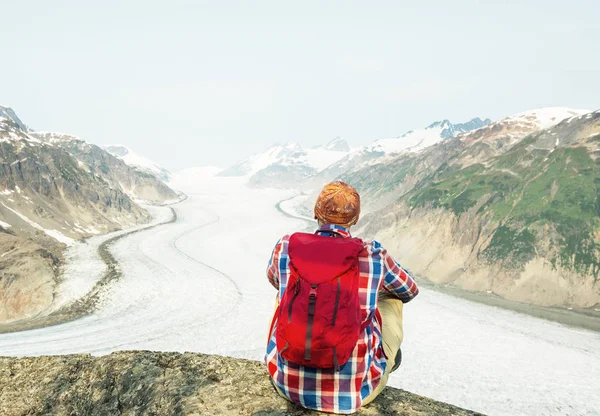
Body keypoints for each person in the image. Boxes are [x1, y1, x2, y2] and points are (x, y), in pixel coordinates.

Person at [265, 180, 419, 414]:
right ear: (355, 219)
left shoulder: (286, 246)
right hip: (353, 394)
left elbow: (274, 279)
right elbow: (409, 290)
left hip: (287, 386)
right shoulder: (373, 253)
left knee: (283, 294)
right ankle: (386, 358)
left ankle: (292, 363)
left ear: (316, 212)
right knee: (392, 301)